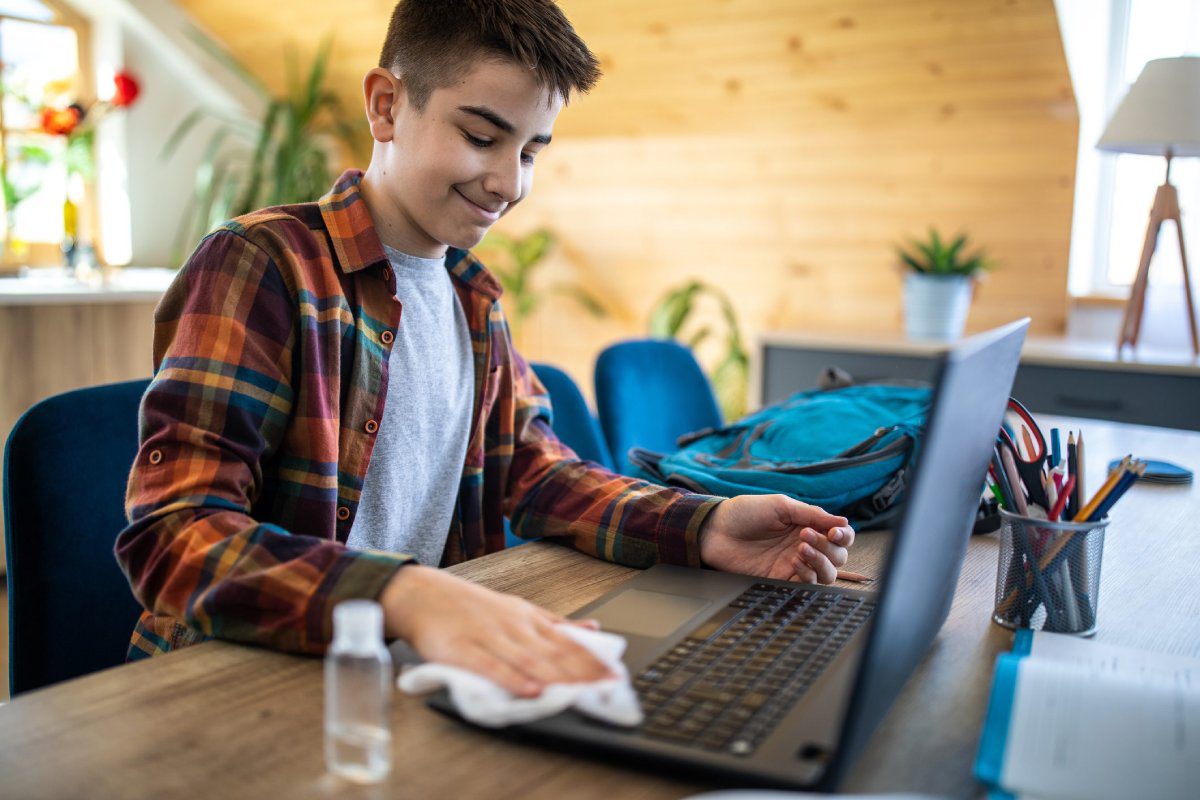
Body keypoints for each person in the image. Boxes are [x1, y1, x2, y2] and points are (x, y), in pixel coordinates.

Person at [116, 0, 855, 698]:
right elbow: (176, 533)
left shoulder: (473, 295)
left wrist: (707, 523)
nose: (510, 182)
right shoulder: (264, 264)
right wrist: (400, 594)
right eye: (480, 136)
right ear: (385, 106)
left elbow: (539, 475)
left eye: (532, 150)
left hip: (405, 674)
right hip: (246, 681)